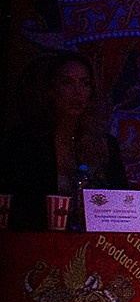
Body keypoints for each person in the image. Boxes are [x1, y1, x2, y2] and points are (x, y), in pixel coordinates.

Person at [2, 52, 129, 229]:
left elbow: (122, 201)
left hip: (98, 243)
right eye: (67, 82)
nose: (77, 92)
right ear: (50, 90)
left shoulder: (106, 145)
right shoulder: (25, 141)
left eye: (84, 83)